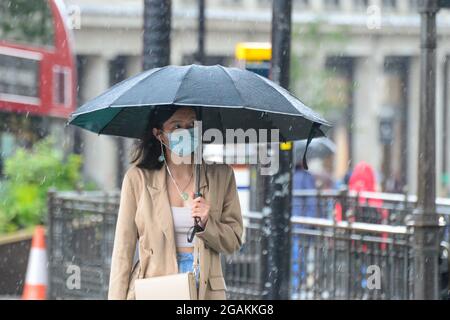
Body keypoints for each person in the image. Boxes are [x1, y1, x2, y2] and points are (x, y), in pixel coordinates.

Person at [108, 106, 244, 300]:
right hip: (155, 287)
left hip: (205, 290)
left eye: (191, 124)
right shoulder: (138, 179)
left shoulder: (221, 176)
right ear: (160, 135)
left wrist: (208, 223)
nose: (186, 131)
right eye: (177, 125)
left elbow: (234, 241)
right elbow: (123, 249)